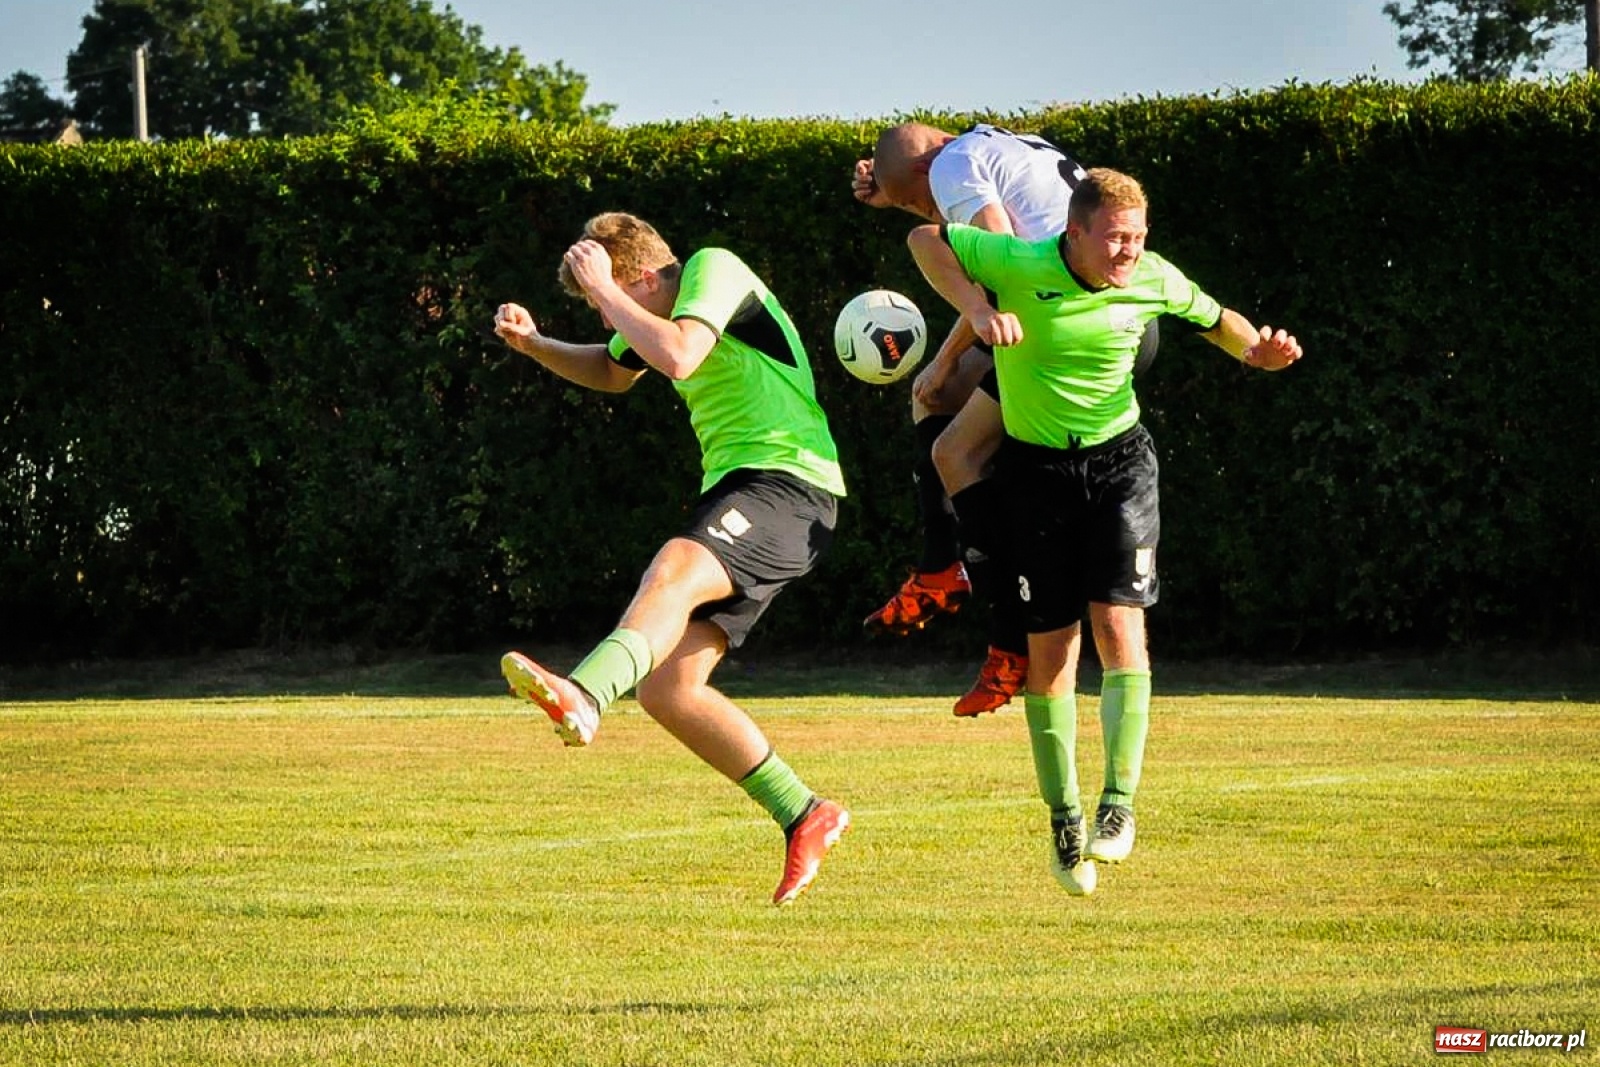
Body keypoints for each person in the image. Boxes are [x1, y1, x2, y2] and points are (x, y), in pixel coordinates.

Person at [906, 168, 1302, 894]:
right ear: (1075, 232)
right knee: (1051, 652)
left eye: (1138, 238)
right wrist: (975, 307)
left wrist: (1254, 353)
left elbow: (1219, 320)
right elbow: (923, 236)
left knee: (1120, 626)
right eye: (1116, 238)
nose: (1128, 253)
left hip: (1120, 464)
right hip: (1036, 475)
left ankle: (1118, 805)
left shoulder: (1150, 275)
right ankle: (1063, 819)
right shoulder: (1018, 262)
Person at [492, 211, 851, 906]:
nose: (610, 318)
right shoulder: (646, 312)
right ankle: (804, 811)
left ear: (649, 276)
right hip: (750, 487)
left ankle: (586, 692)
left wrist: (607, 294)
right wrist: (536, 344)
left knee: (673, 568)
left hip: (789, 481)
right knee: (667, 688)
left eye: (613, 296)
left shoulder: (710, 268)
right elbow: (611, 370)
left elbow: (681, 354)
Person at [853, 121, 1157, 718]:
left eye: (915, 200)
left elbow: (1002, 274)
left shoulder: (949, 167)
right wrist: (894, 192)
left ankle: (992, 622)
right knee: (944, 426)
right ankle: (948, 572)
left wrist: (942, 360)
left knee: (953, 450)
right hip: (1114, 320)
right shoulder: (1000, 145)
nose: (925, 209)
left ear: (924, 173)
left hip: (1060, 325)